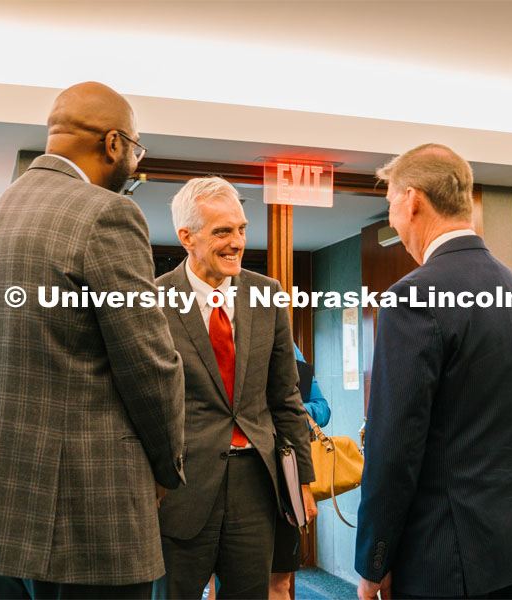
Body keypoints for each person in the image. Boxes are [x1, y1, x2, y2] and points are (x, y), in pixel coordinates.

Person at [0, 82, 186, 599]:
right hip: (86, 516)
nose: (134, 162)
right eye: (137, 148)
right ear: (114, 143)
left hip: (1, 509)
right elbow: (150, 366)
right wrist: (167, 467)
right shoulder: (106, 214)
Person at [355, 144, 512, 600]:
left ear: (412, 200)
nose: (394, 222)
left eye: (391, 207)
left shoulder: (413, 296)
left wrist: (373, 560)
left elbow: (393, 445)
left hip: (443, 556)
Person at [155, 176, 316, 600]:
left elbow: (286, 399)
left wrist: (302, 481)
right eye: (222, 231)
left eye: (241, 229)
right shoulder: (152, 301)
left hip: (257, 486)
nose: (237, 242)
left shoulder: (269, 295)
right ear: (186, 237)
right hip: (181, 487)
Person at [269, 344, 331, 600]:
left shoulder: (290, 348)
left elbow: (322, 408)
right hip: (235, 469)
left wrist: (292, 415)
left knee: (280, 581)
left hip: (285, 474)